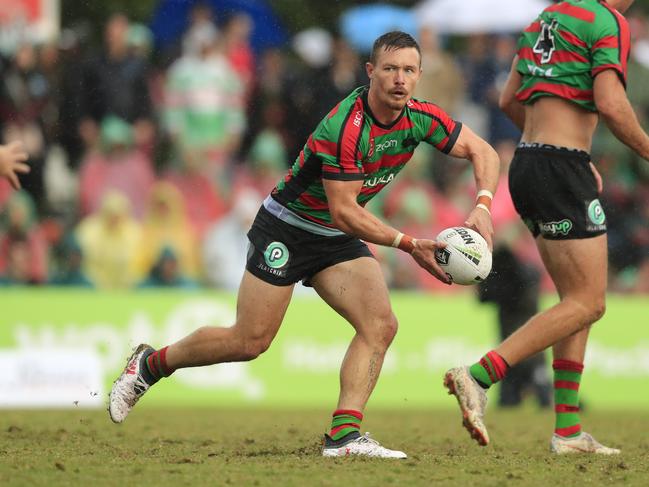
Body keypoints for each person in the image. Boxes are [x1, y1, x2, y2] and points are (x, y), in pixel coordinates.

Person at [109, 31, 500, 458]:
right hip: (287, 229)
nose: (399, 80)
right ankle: (149, 365)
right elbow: (344, 211)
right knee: (250, 340)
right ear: (371, 72)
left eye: (408, 70)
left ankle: (344, 436)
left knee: (380, 326)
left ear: (420, 75)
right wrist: (409, 243)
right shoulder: (346, 127)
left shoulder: (421, 117)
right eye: (389, 69)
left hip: (334, 238)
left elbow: (484, 152)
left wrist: (482, 204)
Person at [444, 0, 649, 455]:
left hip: (529, 161)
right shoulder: (607, 21)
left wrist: (552, 150)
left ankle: (568, 431)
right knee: (588, 302)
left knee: (574, 302)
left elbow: (507, 99)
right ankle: (480, 375)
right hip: (560, 168)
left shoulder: (545, 18)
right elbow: (612, 106)